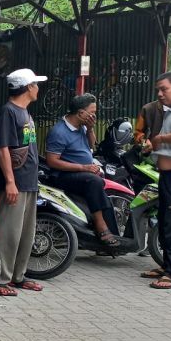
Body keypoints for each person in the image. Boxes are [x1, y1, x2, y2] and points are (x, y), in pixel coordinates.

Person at [0, 68, 45, 297]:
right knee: (8, 232)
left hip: (29, 181)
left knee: (25, 233)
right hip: (16, 182)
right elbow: (2, 148)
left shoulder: (25, 112)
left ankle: (18, 276)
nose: (38, 88)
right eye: (36, 84)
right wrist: (10, 182)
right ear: (28, 87)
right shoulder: (8, 112)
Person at [45, 94, 119, 247]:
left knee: (102, 185)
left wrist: (90, 129)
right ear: (80, 113)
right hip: (63, 175)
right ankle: (100, 226)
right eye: (92, 112)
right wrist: (83, 167)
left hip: (83, 173)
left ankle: (112, 233)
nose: (94, 116)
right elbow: (52, 161)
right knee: (94, 181)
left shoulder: (83, 126)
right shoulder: (59, 132)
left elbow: (92, 145)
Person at [142, 71, 171, 290]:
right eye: (158, 90)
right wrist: (152, 146)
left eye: (164, 89)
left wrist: (159, 138)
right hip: (167, 175)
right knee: (164, 221)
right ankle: (166, 266)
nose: (160, 94)